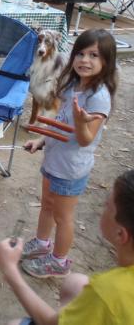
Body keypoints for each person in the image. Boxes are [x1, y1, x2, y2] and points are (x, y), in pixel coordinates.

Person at [20, 28, 117, 278]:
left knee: (63, 217)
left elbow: (85, 141)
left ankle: (59, 261)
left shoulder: (99, 97)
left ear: (107, 61)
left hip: (71, 168)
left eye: (94, 55)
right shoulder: (73, 84)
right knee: (47, 205)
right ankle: (42, 243)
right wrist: (41, 141)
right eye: (81, 54)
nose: (85, 60)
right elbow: (59, 119)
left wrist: (80, 120)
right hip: (54, 158)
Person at [0, 169, 134, 324]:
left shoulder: (108, 292)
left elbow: (50, 322)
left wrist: (10, 270)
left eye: (107, 205)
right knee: (76, 283)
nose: (104, 205)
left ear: (121, 235)